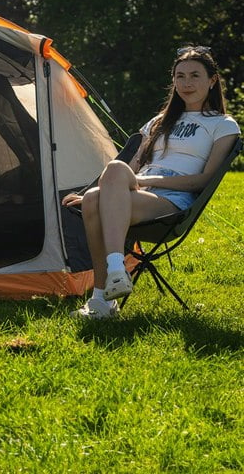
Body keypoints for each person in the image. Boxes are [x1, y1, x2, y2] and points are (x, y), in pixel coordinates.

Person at [62, 45, 241, 319]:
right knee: (95, 196)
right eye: (180, 76)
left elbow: (203, 180)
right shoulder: (158, 122)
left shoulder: (223, 125)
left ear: (212, 80)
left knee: (96, 198)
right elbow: (127, 169)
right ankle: (107, 291)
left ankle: (107, 289)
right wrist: (94, 191)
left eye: (195, 75)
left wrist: (146, 181)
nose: (186, 83)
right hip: (136, 190)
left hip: (171, 201)